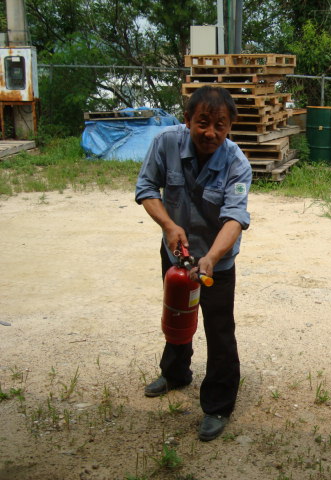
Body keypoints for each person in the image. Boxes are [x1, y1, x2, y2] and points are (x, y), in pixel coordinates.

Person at [135, 85, 252, 442]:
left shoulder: (237, 163)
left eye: (220, 125)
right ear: (187, 120)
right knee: (178, 313)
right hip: (176, 253)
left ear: (230, 126)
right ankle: (175, 374)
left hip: (217, 262)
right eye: (203, 122)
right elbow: (146, 188)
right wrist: (169, 226)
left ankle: (218, 405)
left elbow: (235, 218)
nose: (211, 132)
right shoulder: (165, 143)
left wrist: (212, 258)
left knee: (219, 329)